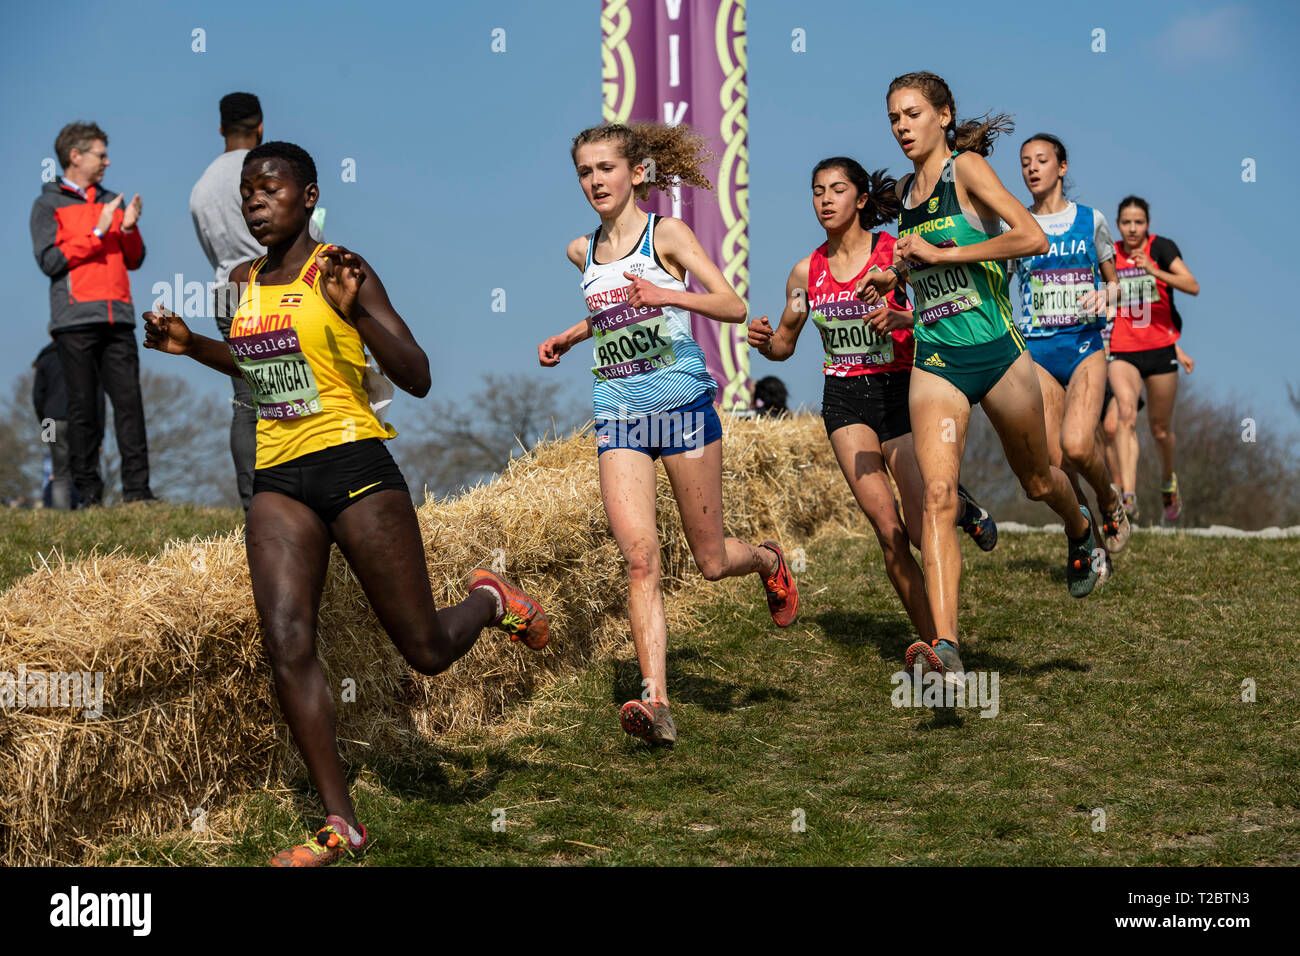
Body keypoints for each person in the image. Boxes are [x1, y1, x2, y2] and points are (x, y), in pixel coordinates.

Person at [144, 141, 548, 866]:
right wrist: (191, 345)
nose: (254, 200)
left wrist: (356, 311)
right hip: (279, 476)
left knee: (424, 651)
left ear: (308, 196)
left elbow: (417, 375)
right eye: (247, 192)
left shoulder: (341, 268)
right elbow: (257, 360)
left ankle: (488, 602)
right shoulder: (241, 282)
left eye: (269, 188)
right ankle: (341, 822)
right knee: (287, 640)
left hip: (354, 464)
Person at [538, 122, 799, 747]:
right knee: (640, 559)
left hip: (682, 405)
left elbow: (733, 306)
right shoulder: (582, 251)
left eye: (606, 168)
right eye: (585, 171)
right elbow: (610, 310)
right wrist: (573, 335)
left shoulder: (668, 235)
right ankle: (656, 702)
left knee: (710, 561)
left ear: (635, 174)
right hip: (619, 415)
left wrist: (667, 294)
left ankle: (766, 558)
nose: (595, 181)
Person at [858, 72, 1101, 689]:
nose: (901, 126)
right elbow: (932, 279)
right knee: (938, 499)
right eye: (893, 118)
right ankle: (947, 648)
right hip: (937, 361)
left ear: (944, 116)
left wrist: (943, 255)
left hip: (998, 353)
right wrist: (898, 279)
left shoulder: (965, 171)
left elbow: (1030, 236)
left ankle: (1080, 527)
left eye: (912, 113)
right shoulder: (908, 197)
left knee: (1038, 478)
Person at [748, 157, 999, 651]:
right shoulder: (806, 272)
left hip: (901, 390)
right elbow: (786, 341)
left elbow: (938, 311)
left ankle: (961, 508)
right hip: (844, 400)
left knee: (920, 528)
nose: (824, 199)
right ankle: (935, 647)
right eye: (817, 190)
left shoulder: (894, 252)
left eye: (836, 190)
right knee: (889, 534)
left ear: (861, 199)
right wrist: (765, 343)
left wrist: (902, 321)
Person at [1013, 134, 1130, 558]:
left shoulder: (1091, 220)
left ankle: (1109, 499)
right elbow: (999, 283)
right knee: (1056, 460)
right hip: (1038, 352)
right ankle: (1090, 543)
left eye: (1041, 160)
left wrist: (1106, 295)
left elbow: (1117, 284)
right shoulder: (1018, 225)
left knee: (1080, 446)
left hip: (1083, 346)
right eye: (1025, 162)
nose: (1032, 168)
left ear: (1061, 167)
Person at [30, 121, 154, 505]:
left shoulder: (113, 201)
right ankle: (89, 495)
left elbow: (135, 259)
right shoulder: (47, 205)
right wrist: (97, 233)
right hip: (74, 321)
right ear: (75, 156)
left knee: (130, 405)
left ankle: (138, 493)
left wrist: (129, 228)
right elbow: (49, 260)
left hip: (119, 319)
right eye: (101, 155)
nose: (107, 161)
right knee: (85, 410)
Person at [190, 92, 266, 511]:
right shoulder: (264, 171)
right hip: (270, 286)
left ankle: (253, 504)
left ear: (221, 128)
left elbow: (212, 252)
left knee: (245, 402)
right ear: (260, 126)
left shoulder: (201, 188)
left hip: (226, 294)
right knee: (298, 387)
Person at [1107, 196, 1199, 522]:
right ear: (1118, 225)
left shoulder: (1162, 248)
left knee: (1160, 430)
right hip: (1123, 349)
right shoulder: (1110, 254)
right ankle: (1128, 496)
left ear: (1148, 224)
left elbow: (1192, 286)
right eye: (1126, 223)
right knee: (1126, 415)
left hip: (1161, 348)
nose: (1133, 229)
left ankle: (1167, 480)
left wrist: (1154, 270)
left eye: (1139, 223)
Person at [33, 339, 105, 510]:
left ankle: (61, 519)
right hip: (80, 417)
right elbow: (98, 397)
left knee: (59, 473)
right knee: (87, 468)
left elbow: (37, 396)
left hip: (51, 421)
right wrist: (99, 434)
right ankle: (90, 508)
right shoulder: (87, 354)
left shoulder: (44, 358)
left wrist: (44, 422)